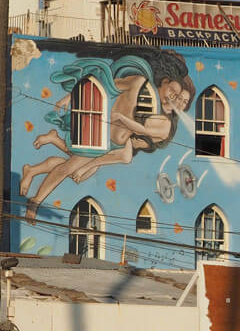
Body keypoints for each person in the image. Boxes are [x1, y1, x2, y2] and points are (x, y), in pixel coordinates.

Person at [20, 47, 195, 221]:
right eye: (172, 91)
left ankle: (33, 169)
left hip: (112, 144)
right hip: (101, 137)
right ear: (163, 82)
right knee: (69, 168)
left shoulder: (155, 112)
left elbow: (144, 131)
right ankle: (35, 201)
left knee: (77, 168)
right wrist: (71, 96)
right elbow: (103, 84)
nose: (173, 98)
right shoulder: (138, 81)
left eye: (178, 97)